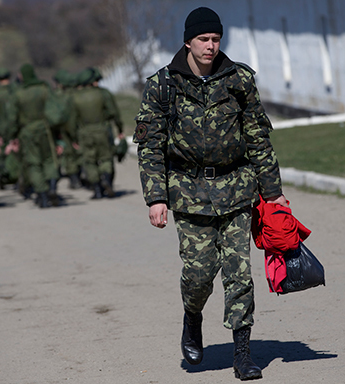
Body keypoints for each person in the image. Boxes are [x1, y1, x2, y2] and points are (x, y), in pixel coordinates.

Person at [133, 7, 287, 381]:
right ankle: (192, 317)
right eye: (203, 39)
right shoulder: (163, 85)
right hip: (189, 193)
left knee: (239, 274)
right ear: (188, 41)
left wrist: (274, 192)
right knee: (200, 274)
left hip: (236, 188)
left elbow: (257, 137)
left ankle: (243, 353)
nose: (210, 46)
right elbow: (150, 146)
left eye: (216, 39)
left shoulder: (239, 79)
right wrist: (156, 198)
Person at [10, 63, 59, 208]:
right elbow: (54, 109)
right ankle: (52, 187)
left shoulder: (18, 94)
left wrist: (12, 136)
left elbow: (12, 118)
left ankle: (43, 196)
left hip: (27, 132)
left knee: (34, 164)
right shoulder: (44, 89)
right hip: (45, 129)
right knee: (49, 159)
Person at [72, 67, 124, 199]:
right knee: (106, 158)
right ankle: (106, 179)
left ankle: (97, 190)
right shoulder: (103, 93)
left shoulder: (75, 97)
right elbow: (114, 113)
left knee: (89, 161)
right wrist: (120, 129)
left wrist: (73, 137)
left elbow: (72, 120)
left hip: (85, 133)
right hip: (102, 130)